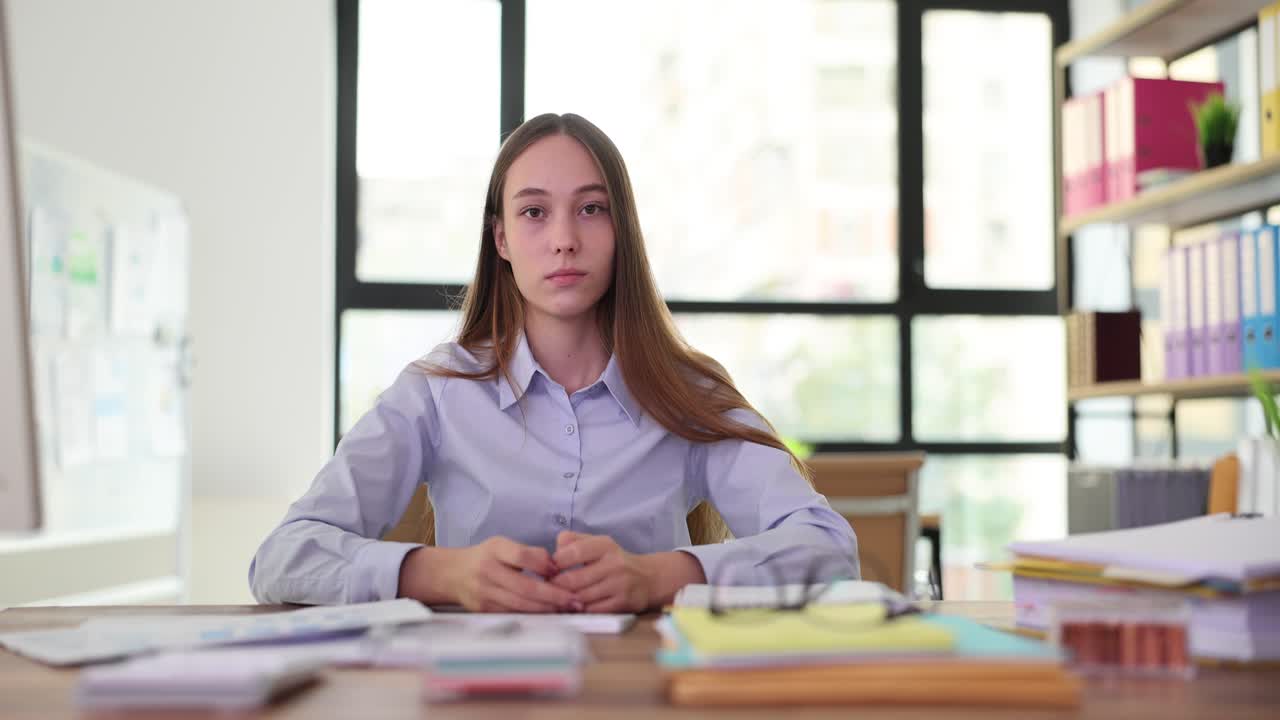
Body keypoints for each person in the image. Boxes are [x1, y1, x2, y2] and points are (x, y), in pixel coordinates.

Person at [249, 113, 858, 612]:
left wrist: (659, 576)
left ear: (623, 231)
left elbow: (830, 549)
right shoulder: (436, 391)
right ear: (502, 240)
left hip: (646, 691)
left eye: (591, 209)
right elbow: (283, 557)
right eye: (534, 212)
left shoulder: (686, 391)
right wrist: (442, 575)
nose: (564, 238)